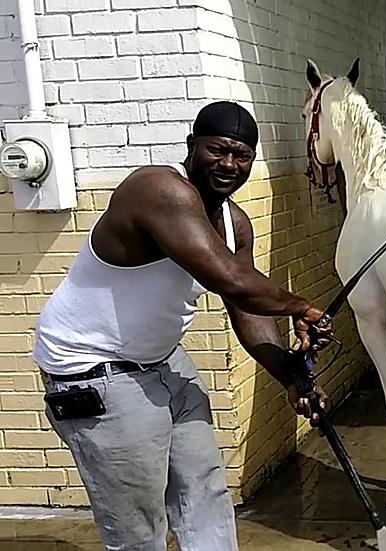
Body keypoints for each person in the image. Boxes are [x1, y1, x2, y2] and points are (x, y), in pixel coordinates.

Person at [32, 100, 331, 550]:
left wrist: (292, 375)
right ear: (192, 146)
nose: (229, 164)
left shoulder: (236, 224)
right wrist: (302, 307)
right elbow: (229, 279)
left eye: (242, 155)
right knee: (139, 529)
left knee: (205, 494)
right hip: (95, 372)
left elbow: (245, 306)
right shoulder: (156, 188)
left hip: (163, 362)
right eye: (218, 150)